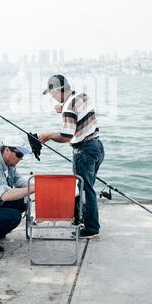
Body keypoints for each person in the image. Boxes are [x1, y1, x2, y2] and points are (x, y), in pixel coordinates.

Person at [39, 74, 105, 239]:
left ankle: (91, 228)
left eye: (52, 93)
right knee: (88, 187)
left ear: (58, 90)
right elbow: (77, 109)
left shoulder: (68, 109)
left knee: (86, 190)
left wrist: (48, 135)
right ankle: (84, 218)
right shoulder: (82, 96)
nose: (52, 97)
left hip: (83, 151)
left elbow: (65, 137)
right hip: (97, 147)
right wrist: (64, 107)